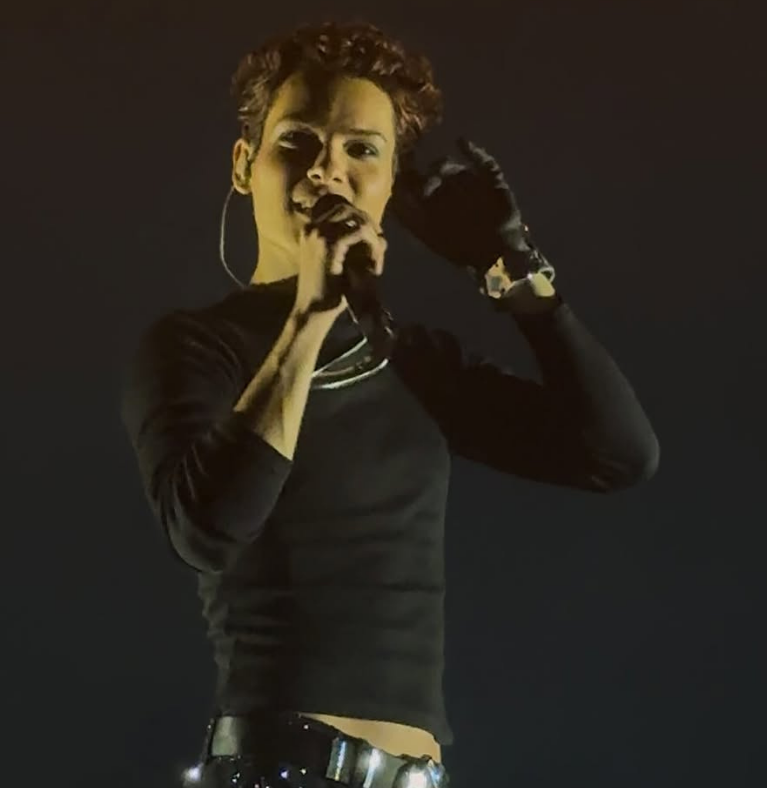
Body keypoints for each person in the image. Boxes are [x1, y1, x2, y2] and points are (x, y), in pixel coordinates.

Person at [121, 19, 660, 788]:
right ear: (244, 165)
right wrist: (310, 315)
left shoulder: (410, 361)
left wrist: (510, 267)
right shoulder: (194, 348)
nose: (327, 170)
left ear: (392, 182)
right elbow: (206, 527)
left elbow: (617, 454)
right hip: (275, 769)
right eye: (297, 142)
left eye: (362, 150)